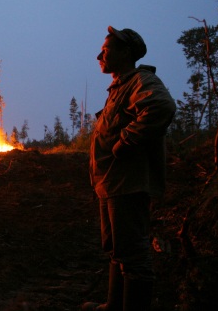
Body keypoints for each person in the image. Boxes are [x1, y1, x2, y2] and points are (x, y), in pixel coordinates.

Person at [82, 26, 176, 311]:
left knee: (133, 255)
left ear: (126, 53)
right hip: (111, 183)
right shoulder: (120, 87)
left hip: (128, 184)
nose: (100, 55)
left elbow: (161, 106)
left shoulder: (140, 80)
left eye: (107, 50)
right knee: (117, 250)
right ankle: (113, 305)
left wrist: (127, 139)